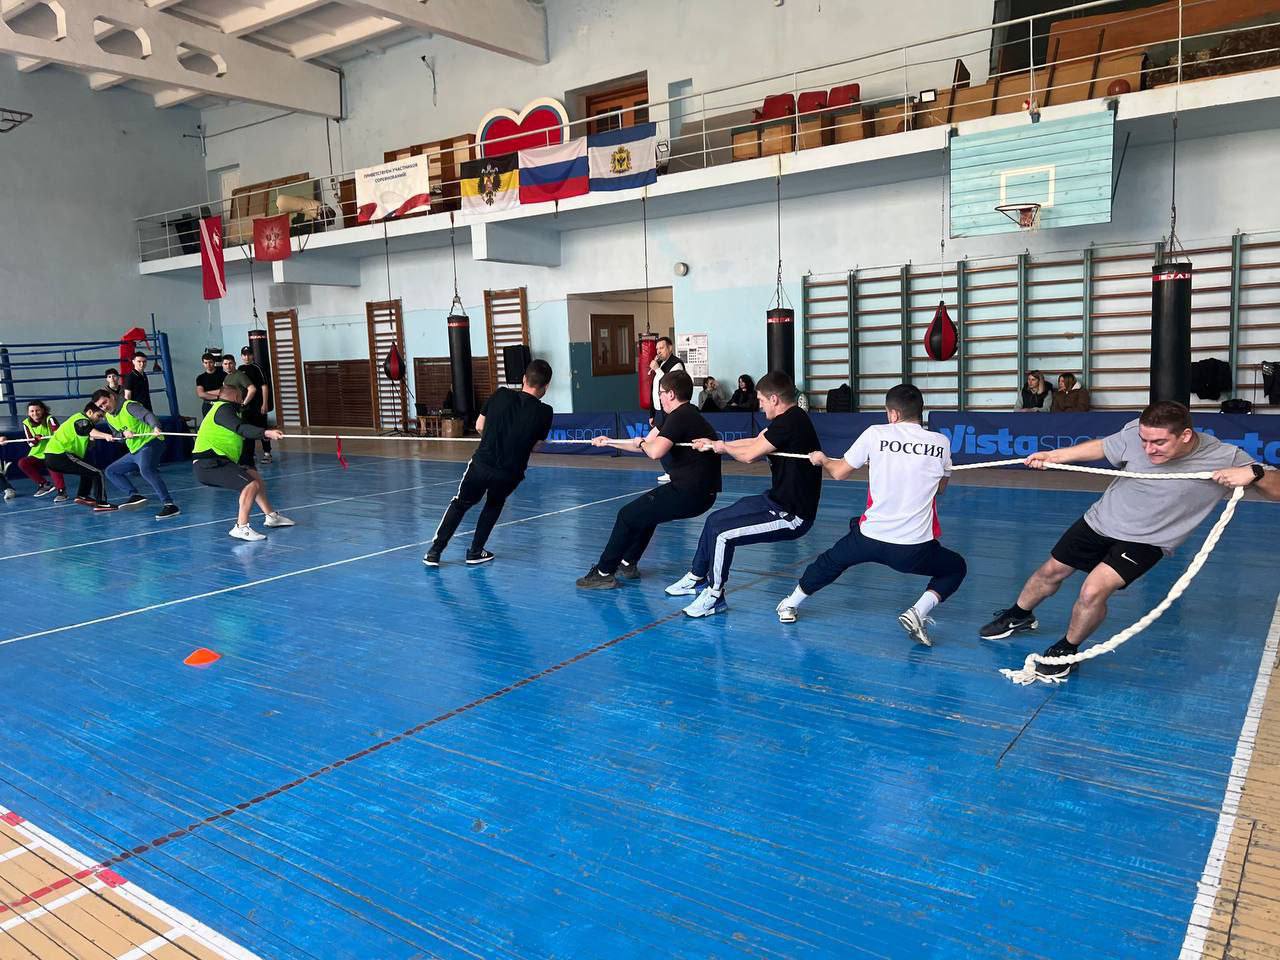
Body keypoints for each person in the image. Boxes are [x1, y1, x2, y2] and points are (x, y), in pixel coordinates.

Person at [980, 401, 1280, 679]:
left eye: (1158, 442)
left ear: (1186, 435)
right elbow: (1102, 446)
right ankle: (1019, 615)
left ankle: (1067, 649)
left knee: (1092, 591)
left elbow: (1276, 489)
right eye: (1144, 441)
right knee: (1050, 571)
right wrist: (1053, 456)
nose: (1148, 449)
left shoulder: (1225, 456)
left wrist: (1254, 473)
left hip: (1147, 541)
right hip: (1101, 520)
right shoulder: (1136, 433)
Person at [775, 384, 967, 646]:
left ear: (893, 414)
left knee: (830, 562)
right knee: (955, 568)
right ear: (919, 412)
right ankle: (918, 612)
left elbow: (839, 473)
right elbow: (940, 489)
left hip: (869, 538)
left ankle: (790, 604)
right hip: (913, 549)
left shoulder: (875, 434)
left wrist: (822, 460)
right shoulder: (941, 443)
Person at [668, 371, 822, 618]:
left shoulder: (791, 421)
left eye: (761, 400)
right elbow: (756, 441)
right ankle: (697, 577)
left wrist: (722, 447)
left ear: (774, 399)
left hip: (793, 515)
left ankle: (715, 596)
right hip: (775, 500)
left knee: (723, 535)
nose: (759, 406)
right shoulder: (789, 419)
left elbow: (750, 455)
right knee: (714, 521)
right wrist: (715, 444)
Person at [578, 369, 721, 589]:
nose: (660, 397)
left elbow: (653, 451)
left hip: (692, 493)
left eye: (661, 393)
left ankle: (603, 572)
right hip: (696, 492)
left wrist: (642, 444)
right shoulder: (682, 414)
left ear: (671, 394)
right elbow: (645, 444)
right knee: (646, 515)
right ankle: (627, 563)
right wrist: (609, 442)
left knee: (626, 515)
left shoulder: (681, 416)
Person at [424, 360, 555, 567]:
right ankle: (475, 552)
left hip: (481, 465)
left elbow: (479, 425)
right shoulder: (545, 412)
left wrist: (493, 439)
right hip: (509, 473)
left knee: (460, 503)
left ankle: (434, 552)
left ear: (524, 379)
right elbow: (536, 446)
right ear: (546, 386)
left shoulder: (500, 394)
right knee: (494, 504)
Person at [191, 383, 292, 542]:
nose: (242, 400)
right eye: (241, 396)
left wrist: (248, 464)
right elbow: (240, 428)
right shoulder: (223, 409)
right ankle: (241, 527)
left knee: (254, 477)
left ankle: (271, 517)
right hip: (209, 464)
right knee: (250, 485)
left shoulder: (229, 411)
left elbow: (240, 435)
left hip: (221, 460)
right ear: (236, 396)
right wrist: (266, 433)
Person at [94, 389, 181, 519]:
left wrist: (156, 427)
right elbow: (117, 435)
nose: (104, 407)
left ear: (112, 397)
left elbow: (147, 415)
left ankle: (170, 505)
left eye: (105, 402)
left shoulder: (129, 406)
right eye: (100, 406)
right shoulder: (109, 417)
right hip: (135, 451)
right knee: (111, 471)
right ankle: (135, 495)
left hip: (151, 442)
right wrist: (122, 434)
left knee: (146, 470)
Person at [42, 401, 118, 511]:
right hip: (59, 455)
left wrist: (93, 439)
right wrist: (107, 436)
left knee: (89, 469)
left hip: (54, 456)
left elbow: (90, 438)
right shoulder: (81, 420)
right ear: (90, 412)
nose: (101, 419)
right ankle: (102, 503)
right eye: (99, 416)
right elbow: (92, 432)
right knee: (98, 473)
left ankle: (83, 495)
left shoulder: (83, 422)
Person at [648, 336, 685, 483]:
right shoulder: (661, 364)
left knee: (666, 440)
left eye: (661, 348)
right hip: (659, 411)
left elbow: (669, 384)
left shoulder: (676, 365)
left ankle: (673, 471)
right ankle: (669, 471)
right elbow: (654, 390)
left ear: (670, 348)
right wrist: (652, 413)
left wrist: (657, 369)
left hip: (670, 410)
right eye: (657, 349)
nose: (658, 351)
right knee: (660, 440)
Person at [18, 401, 67, 501]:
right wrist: (35, 439)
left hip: (52, 451)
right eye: (32, 411)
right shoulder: (26, 423)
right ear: (28, 413)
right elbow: (30, 443)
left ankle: (62, 492)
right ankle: (44, 484)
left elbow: (58, 434)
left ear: (43, 410)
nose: (35, 413)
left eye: (37, 410)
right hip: (37, 454)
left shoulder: (50, 419)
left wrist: (45, 436)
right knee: (22, 463)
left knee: (52, 464)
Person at [237, 346, 273, 464]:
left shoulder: (258, 368)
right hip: (246, 406)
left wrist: (265, 403)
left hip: (258, 405)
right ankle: (250, 453)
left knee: (262, 428)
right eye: (244, 355)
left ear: (252, 355)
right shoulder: (240, 369)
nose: (246, 357)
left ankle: (267, 453)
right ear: (241, 356)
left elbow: (264, 386)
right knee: (247, 429)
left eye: (249, 354)